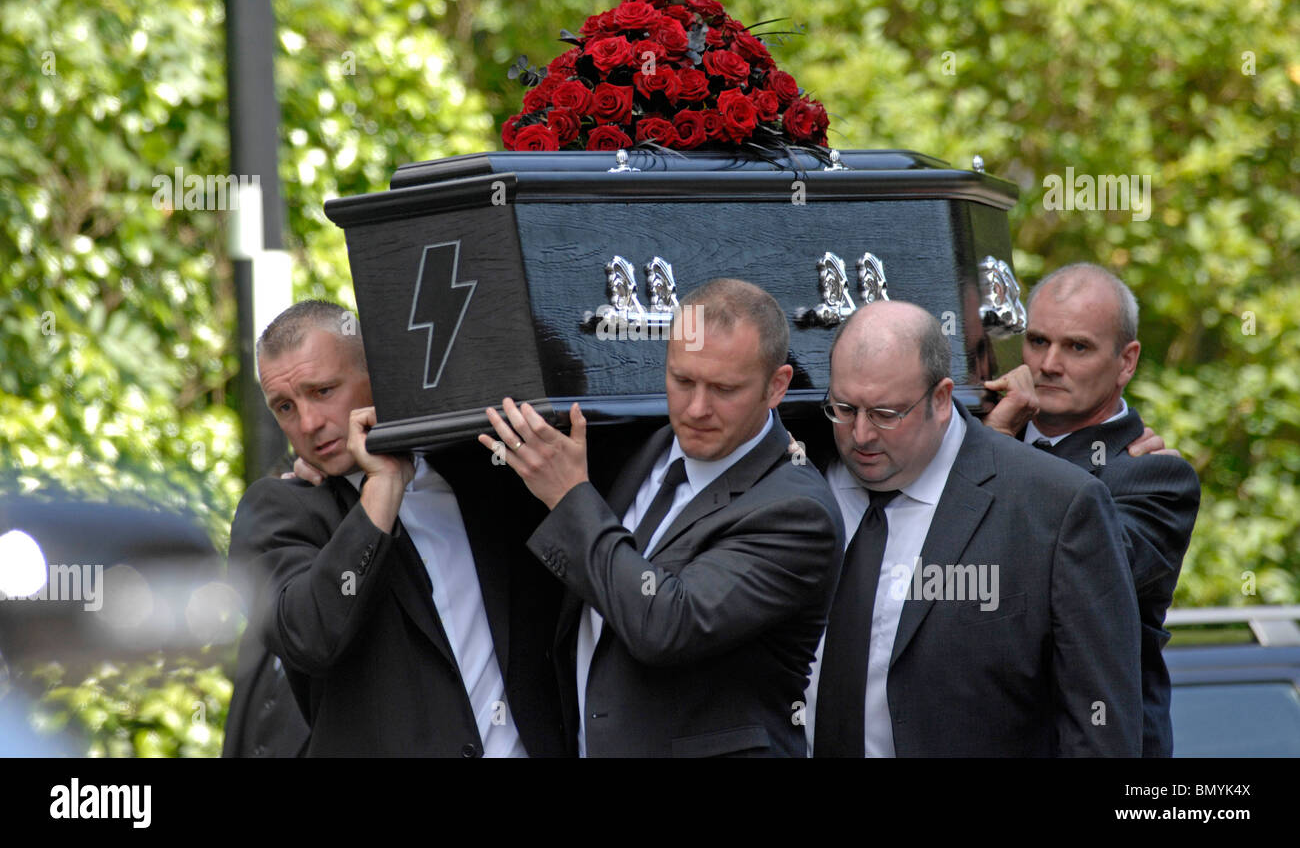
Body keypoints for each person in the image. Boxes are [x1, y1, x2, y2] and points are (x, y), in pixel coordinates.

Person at [480, 279, 844, 757]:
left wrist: (571, 496)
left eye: (724, 389)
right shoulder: (642, 448)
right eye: (682, 380)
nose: (696, 409)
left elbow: (666, 625)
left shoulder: (798, 510)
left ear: (777, 387)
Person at [227, 300, 566, 757]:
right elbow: (309, 635)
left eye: (323, 390)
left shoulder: (482, 471)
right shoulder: (278, 509)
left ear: (380, 377)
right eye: (285, 406)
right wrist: (380, 491)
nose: (307, 423)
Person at [808, 300, 1142, 757]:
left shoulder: (1053, 507)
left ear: (941, 399)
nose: (861, 434)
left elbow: (1099, 727)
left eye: (886, 414)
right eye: (844, 409)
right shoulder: (798, 482)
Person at [982, 263, 1200, 757]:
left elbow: (1069, 577)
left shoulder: (1155, 475)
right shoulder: (975, 433)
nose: (1048, 364)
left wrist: (994, 447)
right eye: (1037, 341)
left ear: (1127, 362)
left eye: (1077, 347)